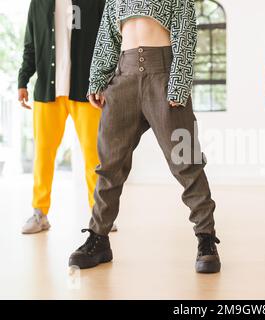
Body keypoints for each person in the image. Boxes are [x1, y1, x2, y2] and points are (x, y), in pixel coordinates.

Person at [68, 0, 221, 274]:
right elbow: (107, 37)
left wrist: (179, 82)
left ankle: (206, 239)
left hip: (163, 76)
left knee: (186, 160)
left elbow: (185, 32)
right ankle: (98, 238)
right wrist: (97, 80)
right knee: (109, 165)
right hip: (123, 78)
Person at [18, 0, 117, 234]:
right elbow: (30, 44)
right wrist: (23, 80)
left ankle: (100, 214)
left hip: (85, 91)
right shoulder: (39, 3)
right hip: (48, 92)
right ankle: (39, 213)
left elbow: (107, 43)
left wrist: (104, 82)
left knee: (95, 155)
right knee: (43, 153)